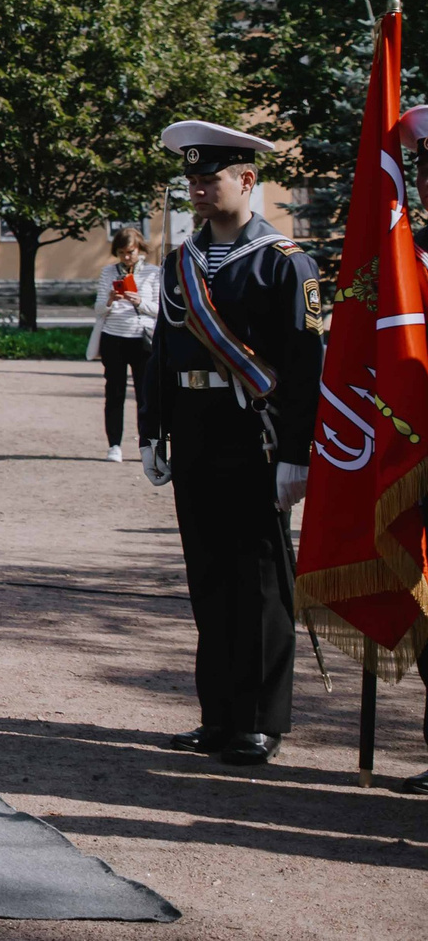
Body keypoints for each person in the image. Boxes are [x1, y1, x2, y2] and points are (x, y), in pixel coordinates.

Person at [137, 121, 323, 768]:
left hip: (257, 434)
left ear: (247, 180)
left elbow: (306, 366)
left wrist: (298, 452)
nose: (197, 188)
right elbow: (162, 351)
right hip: (194, 429)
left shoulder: (284, 261)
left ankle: (261, 720)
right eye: (191, 178)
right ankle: (217, 714)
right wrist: (151, 430)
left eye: (209, 177)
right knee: (209, 576)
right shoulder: (180, 260)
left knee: (263, 580)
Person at [87, 225, 160, 463]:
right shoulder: (108, 273)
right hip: (114, 339)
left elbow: (160, 310)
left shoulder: (153, 273)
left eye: (130, 252)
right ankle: (114, 445)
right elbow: (98, 311)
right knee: (114, 392)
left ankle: (146, 445)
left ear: (140, 249)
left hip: (142, 340)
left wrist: (139, 301)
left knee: (144, 395)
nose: (126, 257)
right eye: (121, 253)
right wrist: (110, 299)